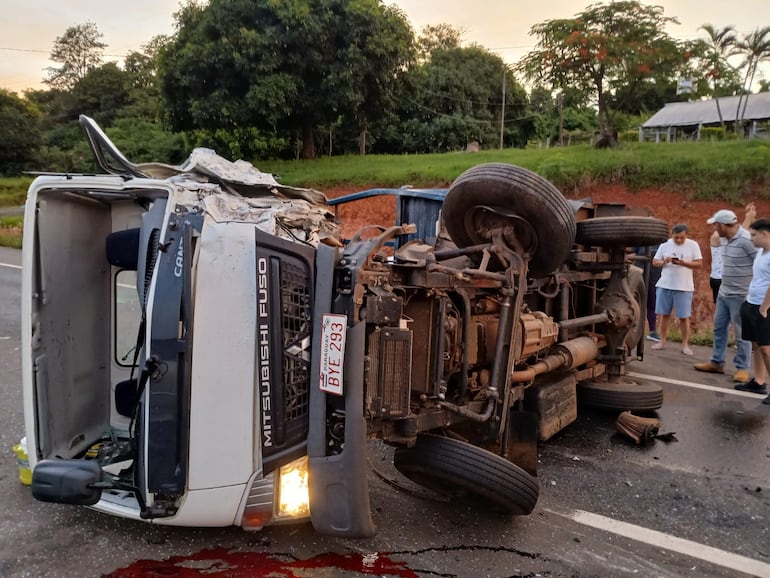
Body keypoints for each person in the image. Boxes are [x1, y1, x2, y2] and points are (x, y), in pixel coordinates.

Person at [694, 208, 757, 382]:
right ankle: (717, 361)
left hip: (741, 294)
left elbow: (759, 262)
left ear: (722, 226)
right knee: (719, 327)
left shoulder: (745, 240)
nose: (714, 228)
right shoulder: (725, 238)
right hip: (724, 291)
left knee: (741, 332)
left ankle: (743, 368)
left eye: (716, 225)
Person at [650, 224, 703, 355]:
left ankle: (685, 344)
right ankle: (662, 341)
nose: (679, 240)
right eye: (676, 238)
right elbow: (655, 262)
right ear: (672, 235)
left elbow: (699, 263)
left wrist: (683, 263)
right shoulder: (664, 245)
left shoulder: (693, 245)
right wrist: (664, 262)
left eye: (682, 238)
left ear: (686, 236)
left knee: (684, 317)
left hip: (684, 286)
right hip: (665, 284)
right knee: (664, 315)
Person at [735, 218, 770, 403]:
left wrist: (764, 307)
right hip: (751, 303)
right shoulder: (761, 252)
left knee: (766, 348)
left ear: (765, 234)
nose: (752, 239)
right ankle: (759, 381)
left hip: (764, 308)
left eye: (755, 235)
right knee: (756, 345)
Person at [636, 244, 662, 341]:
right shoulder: (640, 240)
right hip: (639, 276)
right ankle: (634, 330)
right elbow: (632, 254)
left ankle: (652, 331)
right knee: (636, 303)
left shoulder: (662, 242)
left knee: (652, 304)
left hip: (655, 277)